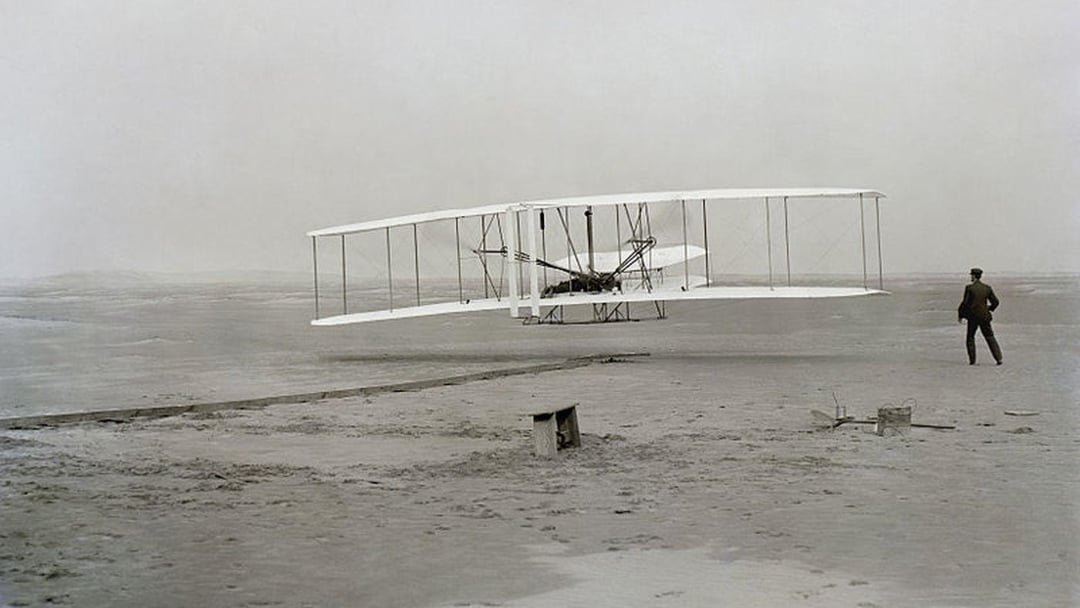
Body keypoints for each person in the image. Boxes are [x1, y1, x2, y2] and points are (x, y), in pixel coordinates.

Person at [957, 267, 1003, 365]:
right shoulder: (987, 288)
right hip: (985, 316)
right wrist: (989, 309)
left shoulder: (969, 288)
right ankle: (998, 358)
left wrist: (961, 314)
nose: (971, 277)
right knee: (990, 337)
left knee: (970, 337)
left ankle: (972, 361)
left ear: (974, 276)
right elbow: (996, 302)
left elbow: (965, 303)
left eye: (971, 275)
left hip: (973, 317)